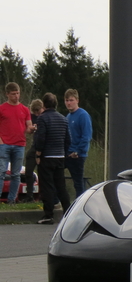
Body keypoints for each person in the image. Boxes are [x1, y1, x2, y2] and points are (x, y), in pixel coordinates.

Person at [34, 93, 71, 224]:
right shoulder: (63, 119)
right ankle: (68, 212)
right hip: (60, 156)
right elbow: (68, 140)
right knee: (61, 186)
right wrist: (64, 153)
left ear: (44, 104)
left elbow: (41, 138)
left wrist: (38, 154)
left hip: (47, 156)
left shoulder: (42, 119)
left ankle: (48, 215)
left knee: (47, 186)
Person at [0, 82, 35, 204]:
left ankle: (11, 200)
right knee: (1, 172)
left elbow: (28, 126)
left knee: (16, 174)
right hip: (5, 144)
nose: (16, 96)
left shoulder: (25, 109)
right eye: (13, 94)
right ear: (7, 94)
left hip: (20, 144)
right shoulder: (2, 109)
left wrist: (32, 129)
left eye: (18, 93)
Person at [64, 88, 92, 198]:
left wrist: (78, 151)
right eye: (67, 100)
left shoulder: (83, 115)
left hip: (77, 155)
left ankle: (80, 203)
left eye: (71, 100)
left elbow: (86, 136)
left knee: (78, 183)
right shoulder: (68, 116)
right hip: (67, 152)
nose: (69, 103)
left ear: (77, 100)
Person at [22, 99, 44, 202]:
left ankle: (43, 196)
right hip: (35, 146)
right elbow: (28, 128)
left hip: (44, 148)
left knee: (43, 172)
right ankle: (29, 195)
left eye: (38, 111)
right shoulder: (33, 117)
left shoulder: (45, 116)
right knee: (28, 171)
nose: (36, 114)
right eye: (34, 112)